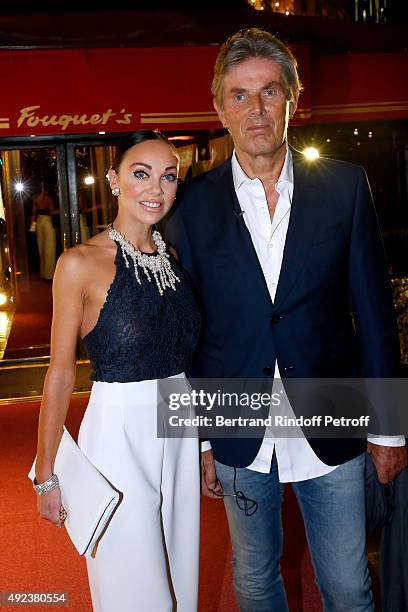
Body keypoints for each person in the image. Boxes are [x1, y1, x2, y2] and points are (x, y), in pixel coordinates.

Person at [166, 28, 408, 611]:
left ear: (293, 99)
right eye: (241, 95)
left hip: (333, 412)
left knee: (349, 586)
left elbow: (375, 316)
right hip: (235, 421)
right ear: (220, 108)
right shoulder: (191, 206)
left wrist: (389, 429)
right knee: (254, 578)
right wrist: (196, 437)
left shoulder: (345, 188)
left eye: (270, 92)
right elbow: (186, 334)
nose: (257, 109)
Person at [33, 130, 201, 612]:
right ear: (113, 180)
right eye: (140, 174)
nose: (155, 189)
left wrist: (204, 444)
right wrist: (47, 473)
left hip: (179, 425)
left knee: (180, 576)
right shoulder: (79, 263)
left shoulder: (173, 260)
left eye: (167, 177)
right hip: (119, 434)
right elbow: (60, 373)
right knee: (134, 586)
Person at [31, 182, 57, 280]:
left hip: (39, 221)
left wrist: (32, 226)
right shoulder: (48, 198)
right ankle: (49, 274)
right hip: (46, 221)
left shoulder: (35, 198)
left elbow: (33, 213)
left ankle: (42, 273)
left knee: (41, 247)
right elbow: (52, 211)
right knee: (49, 247)